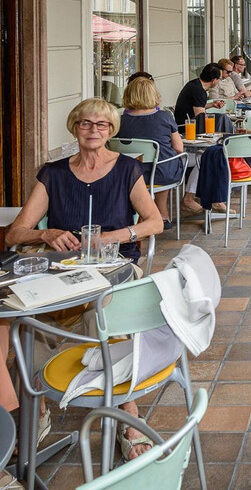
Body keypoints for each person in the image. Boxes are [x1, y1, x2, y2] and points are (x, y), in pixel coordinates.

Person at [6, 97, 164, 461]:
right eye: (86, 124)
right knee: (30, 324)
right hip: (63, 272)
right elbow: (15, 234)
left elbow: (155, 222)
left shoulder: (127, 169)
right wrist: (46, 235)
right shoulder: (53, 173)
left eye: (102, 125)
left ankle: (128, 413)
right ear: (74, 127)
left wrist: (112, 236)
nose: (93, 131)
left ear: (111, 130)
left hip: (116, 268)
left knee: (105, 313)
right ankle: (37, 408)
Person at [117, 77, 185, 230]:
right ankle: (162, 213)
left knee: (152, 165)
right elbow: (179, 148)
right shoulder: (164, 117)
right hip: (162, 174)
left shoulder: (119, 121)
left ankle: (141, 215)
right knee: (162, 162)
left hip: (129, 175)